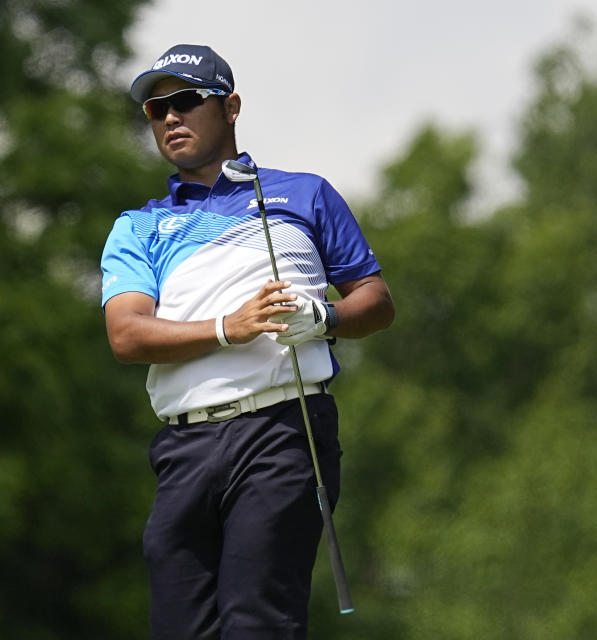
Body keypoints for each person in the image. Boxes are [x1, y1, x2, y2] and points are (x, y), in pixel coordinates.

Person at [100, 43, 394, 640]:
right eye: (156, 110)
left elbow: (375, 300)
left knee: (256, 621)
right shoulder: (138, 225)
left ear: (230, 107)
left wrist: (326, 319)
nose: (170, 118)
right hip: (184, 448)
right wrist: (225, 329)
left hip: (283, 432)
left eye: (185, 101)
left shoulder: (304, 194)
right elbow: (127, 335)